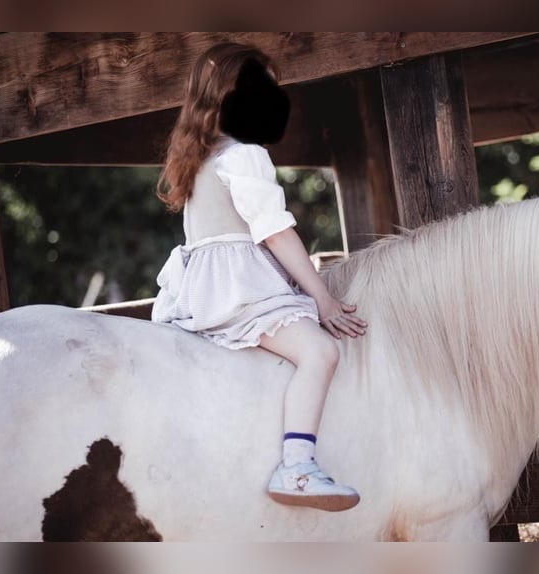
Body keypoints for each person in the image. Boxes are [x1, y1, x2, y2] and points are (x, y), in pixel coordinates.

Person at [151, 42, 366, 512]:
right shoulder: (245, 155)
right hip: (238, 289)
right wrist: (322, 298)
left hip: (200, 292)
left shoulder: (199, 159)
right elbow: (275, 233)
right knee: (320, 352)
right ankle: (298, 466)